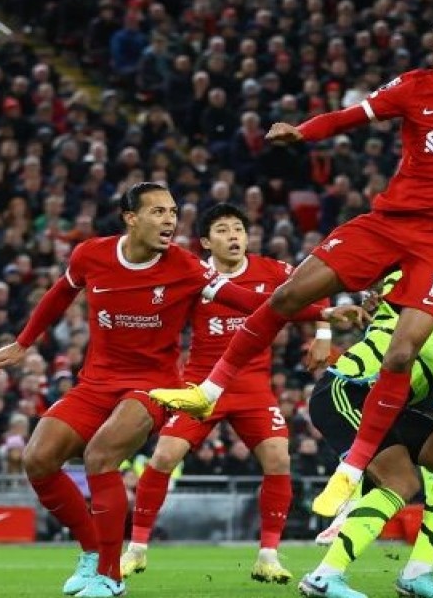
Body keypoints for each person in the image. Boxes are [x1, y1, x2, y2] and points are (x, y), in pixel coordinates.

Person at [148, 12, 433, 517]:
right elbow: (353, 116)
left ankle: (352, 468)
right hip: (388, 223)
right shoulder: (414, 88)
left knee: (401, 353)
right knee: (288, 295)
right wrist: (304, 133)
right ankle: (208, 390)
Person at [0, 183, 361, 598]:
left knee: (101, 455)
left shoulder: (185, 266)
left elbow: (251, 304)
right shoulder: (90, 254)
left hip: (155, 384)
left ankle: (112, 577)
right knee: (38, 458)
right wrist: (23, 341)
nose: (169, 221)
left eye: (173, 212)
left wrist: (322, 313)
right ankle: (93, 553)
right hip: (95, 381)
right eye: (159, 212)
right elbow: (60, 294)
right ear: (131, 218)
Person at [120, 203, 333, 583]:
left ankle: (268, 555)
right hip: (201, 385)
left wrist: (324, 334)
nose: (234, 236)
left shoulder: (272, 270)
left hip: (253, 387)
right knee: (165, 455)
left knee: (279, 459)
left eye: (238, 228)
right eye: (222, 230)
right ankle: (135, 549)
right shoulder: (191, 277)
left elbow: (317, 289)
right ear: (205, 242)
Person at [298, 241, 433, 598]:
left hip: (399, 405)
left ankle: (418, 574)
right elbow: (431, 347)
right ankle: (324, 576)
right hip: (355, 389)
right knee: (399, 480)